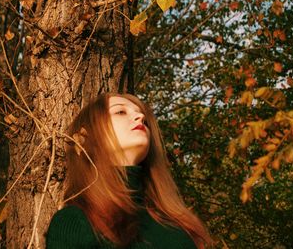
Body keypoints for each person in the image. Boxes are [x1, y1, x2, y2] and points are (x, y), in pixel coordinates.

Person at [46, 93, 212, 248]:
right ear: (83, 138)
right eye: (120, 112)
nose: (140, 117)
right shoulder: (74, 222)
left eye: (144, 119)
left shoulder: (177, 224)